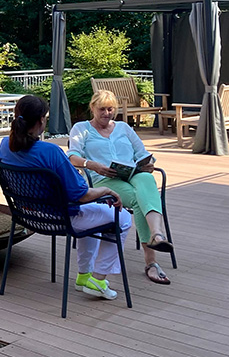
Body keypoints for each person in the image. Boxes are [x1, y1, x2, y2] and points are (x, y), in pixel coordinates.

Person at [0, 95, 132, 300]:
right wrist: (107, 191)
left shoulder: (4, 145)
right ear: (41, 120)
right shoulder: (50, 151)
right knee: (121, 218)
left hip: (28, 216)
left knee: (96, 213)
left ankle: (85, 276)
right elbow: (81, 195)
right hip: (62, 218)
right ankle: (98, 278)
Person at [67, 89, 174, 285]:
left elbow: (142, 152)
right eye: (102, 109)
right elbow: (72, 156)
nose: (107, 113)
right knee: (139, 199)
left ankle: (157, 235)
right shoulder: (81, 128)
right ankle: (152, 259)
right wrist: (93, 165)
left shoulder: (124, 128)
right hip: (104, 181)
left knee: (147, 180)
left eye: (111, 109)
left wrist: (147, 164)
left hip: (132, 174)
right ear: (92, 108)